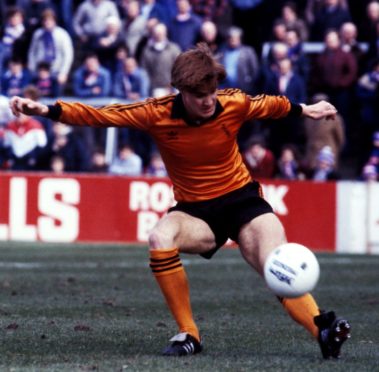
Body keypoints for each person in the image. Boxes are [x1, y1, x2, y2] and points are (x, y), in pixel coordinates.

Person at [9, 42, 350, 359]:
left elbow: (272, 105)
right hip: (196, 210)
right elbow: (101, 115)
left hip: (243, 200)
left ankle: (321, 329)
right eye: (199, 94)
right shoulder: (155, 112)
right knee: (159, 237)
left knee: (275, 263)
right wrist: (46, 110)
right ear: (181, 91)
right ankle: (189, 333)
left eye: (212, 91)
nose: (208, 100)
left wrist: (308, 109)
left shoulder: (233, 102)